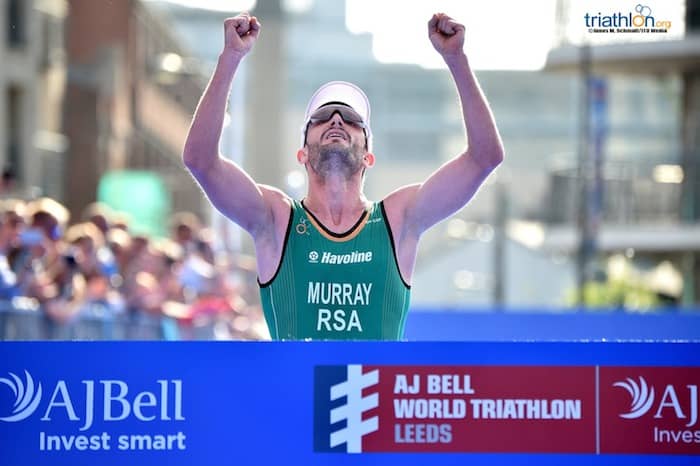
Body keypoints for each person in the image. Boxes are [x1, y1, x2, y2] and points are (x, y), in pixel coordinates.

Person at [183, 12, 504, 340]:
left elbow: (484, 158)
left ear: (368, 156)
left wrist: (456, 59)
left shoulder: (398, 217)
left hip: (376, 391)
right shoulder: (276, 218)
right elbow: (200, 161)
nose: (336, 119)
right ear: (302, 153)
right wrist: (231, 57)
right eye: (321, 117)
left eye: (352, 119)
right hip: (297, 391)